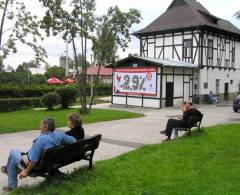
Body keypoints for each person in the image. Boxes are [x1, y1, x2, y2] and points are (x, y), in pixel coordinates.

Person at [1, 118, 76, 192]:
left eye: (40, 125)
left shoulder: (41, 140)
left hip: (35, 165)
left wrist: (26, 171)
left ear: (46, 127)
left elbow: (33, 160)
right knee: (15, 154)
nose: (39, 127)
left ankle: (11, 183)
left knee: (12, 152)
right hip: (50, 161)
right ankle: (9, 172)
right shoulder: (60, 134)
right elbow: (73, 140)